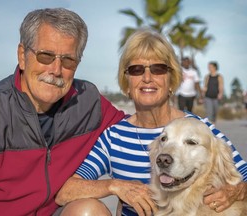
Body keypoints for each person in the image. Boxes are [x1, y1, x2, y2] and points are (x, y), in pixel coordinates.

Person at [55, 29, 247, 216]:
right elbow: (66, 192)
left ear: (171, 80)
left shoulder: (200, 128)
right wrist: (115, 186)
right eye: (136, 70)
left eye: (158, 69)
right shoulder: (114, 137)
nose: (147, 78)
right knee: (83, 210)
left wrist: (236, 191)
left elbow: (242, 175)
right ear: (127, 82)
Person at [0, 8, 125, 215]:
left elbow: (134, 131)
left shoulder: (87, 101)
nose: (55, 70)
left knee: (88, 210)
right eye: (45, 56)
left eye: (67, 60)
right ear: (22, 55)